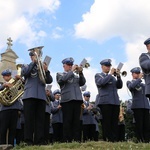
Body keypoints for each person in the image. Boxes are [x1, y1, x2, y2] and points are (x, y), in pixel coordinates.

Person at [21, 48, 53, 145]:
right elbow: (24, 73)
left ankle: (39, 140)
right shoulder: (26, 65)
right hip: (29, 95)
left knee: (40, 120)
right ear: (31, 57)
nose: (36, 57)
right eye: (34, 55)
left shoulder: (42, 67)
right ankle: (28, 141)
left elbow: (49, 80)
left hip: (41, 96)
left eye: (38, 55)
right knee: (29, 119)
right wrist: (34, 63)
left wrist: (46, 71)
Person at [56, 57, 86, 142]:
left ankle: (76, 139)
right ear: (64, 66)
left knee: (76, 121)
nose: (70, 66)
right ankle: (67, 140)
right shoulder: (60, 74)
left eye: (71, 65)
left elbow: (82, 82)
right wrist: (71, 71)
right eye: (68, 65)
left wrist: (80, 73)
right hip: (67, 100)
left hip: (77, 100)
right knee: (67, 121)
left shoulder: (75, 76)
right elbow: (62, 80)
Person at [95, 59, 123, 142]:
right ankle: (107, 138)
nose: (108, 68)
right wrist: (110, 74)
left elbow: (119, 86)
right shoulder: (98, 75)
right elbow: (101, 83)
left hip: (115, 101)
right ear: (102, 67)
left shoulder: (113, 78)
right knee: (106, 121)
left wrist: (118, 76)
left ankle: (114, 139)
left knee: (114, 121)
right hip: (105, 102)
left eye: (109, 66)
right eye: (106, 66)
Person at [126, 67, 150, 142]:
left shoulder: (143, 84)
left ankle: (147, 140)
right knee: (139, 124)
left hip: (145, 106)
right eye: (136, 73)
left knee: (147, 124)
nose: (138, 74)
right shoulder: (129, 82)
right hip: (137, 106)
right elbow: (131, 87)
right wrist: (139, 79)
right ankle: (140, 139)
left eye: (139, 73)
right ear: (133, 74)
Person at [0, 69, 20, 146]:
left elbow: (20, 91)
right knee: (3, 129)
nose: (8, 77)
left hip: (14, 108)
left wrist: (12, 87)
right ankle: (2, 145)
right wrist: (3, 86)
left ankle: (11, 145)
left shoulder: (16, 83)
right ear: (4, 77)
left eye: (9, 75)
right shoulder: (1, 84)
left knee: (13, 129)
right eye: (6, 76)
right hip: (4, 109)